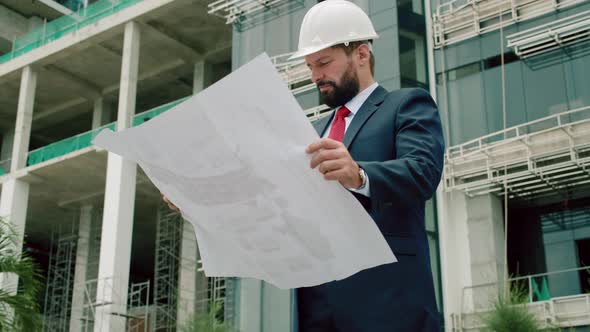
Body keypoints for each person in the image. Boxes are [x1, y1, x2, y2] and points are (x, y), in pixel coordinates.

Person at [165, 1, 444, 330]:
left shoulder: (406, 104)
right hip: (317, 306)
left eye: (324, 63)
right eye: (311, 66)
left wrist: (360, 175)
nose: (316, 76)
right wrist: (199, 205)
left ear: (362, 54)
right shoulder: (310, 133)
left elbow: (422, 172)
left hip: (389, 302)